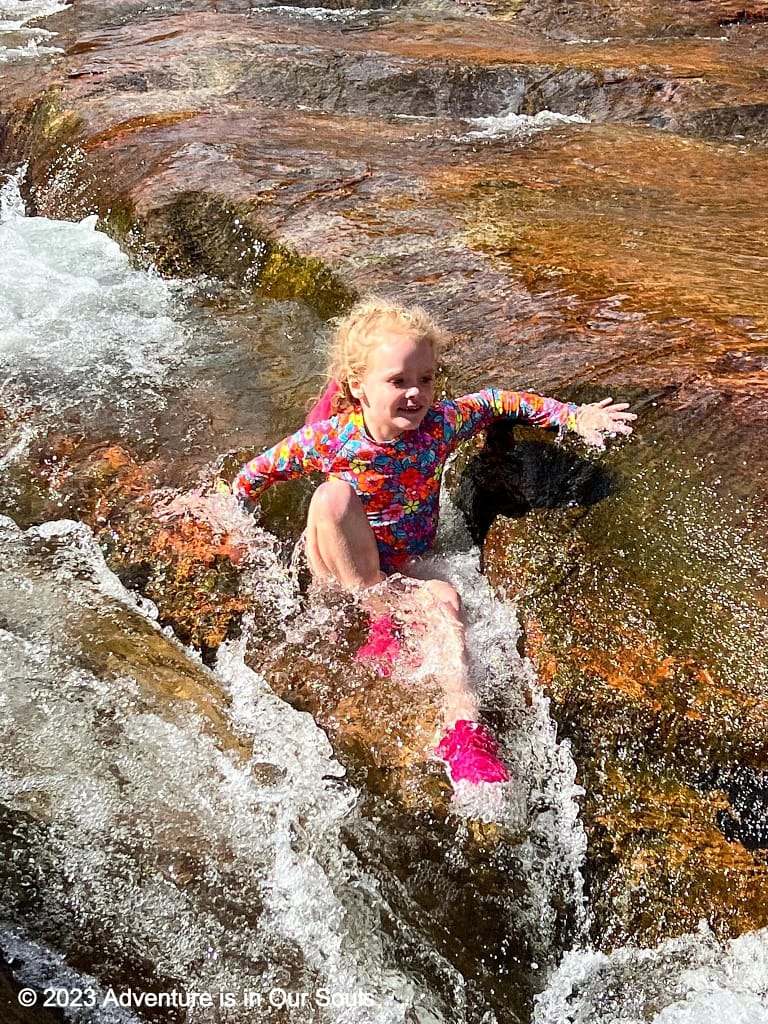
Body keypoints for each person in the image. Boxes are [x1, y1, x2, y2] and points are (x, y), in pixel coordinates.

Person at [231, 299, 635, 787]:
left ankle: (463, 731)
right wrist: (218, 517)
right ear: (357, 386)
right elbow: (254, 476)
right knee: (332, 497)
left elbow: (496, 402)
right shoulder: (329, 439)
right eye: (398, 381)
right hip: (342, 566)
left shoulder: (439, 426)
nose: (415, 393)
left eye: (426, 379)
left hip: (400, 563)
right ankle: (378, 609)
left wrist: (571, 417)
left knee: (446, 600)